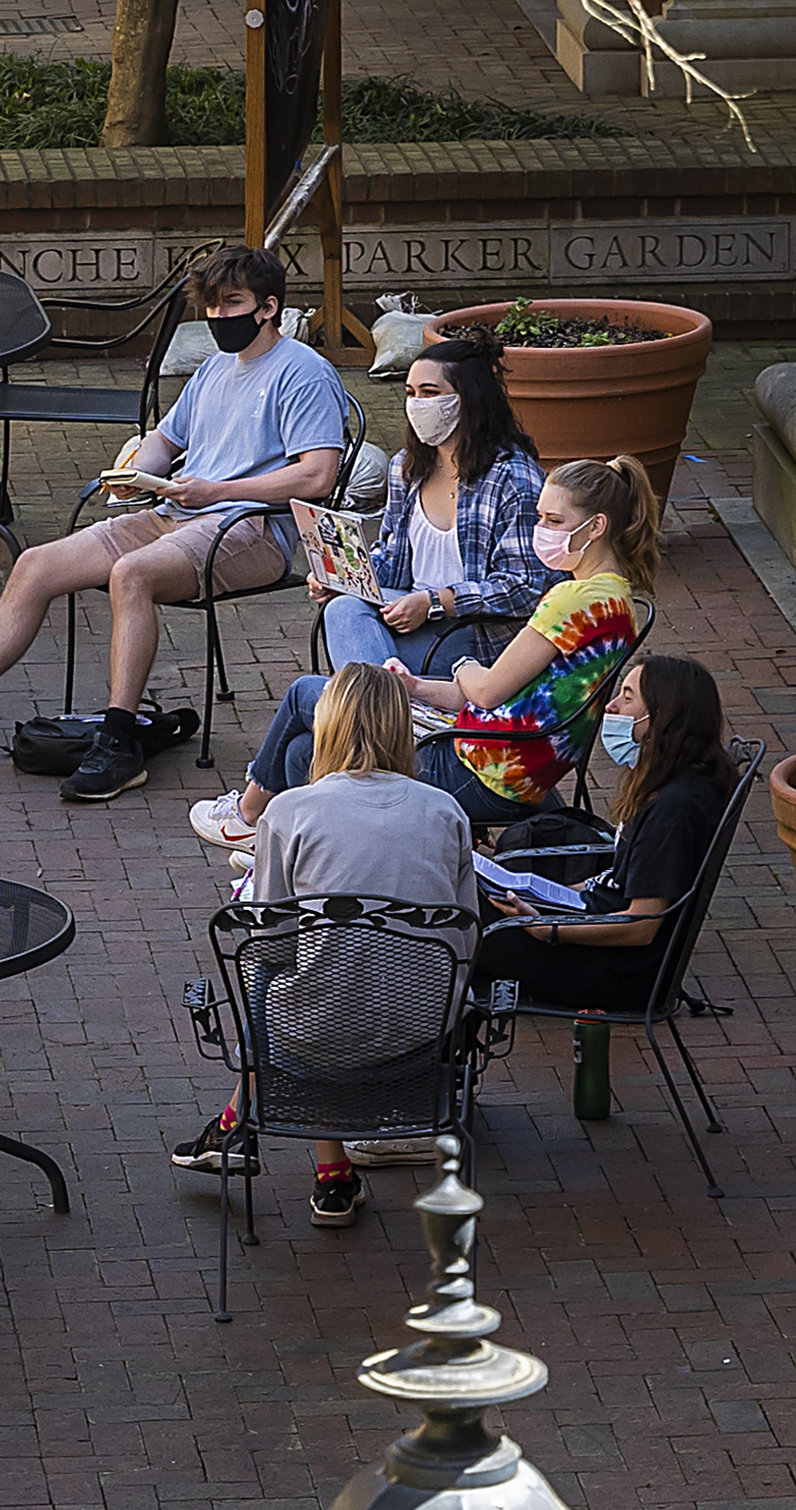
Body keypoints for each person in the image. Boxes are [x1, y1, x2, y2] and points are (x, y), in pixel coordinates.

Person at [0, 243, 351, 799]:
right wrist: (131, 473)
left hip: (249, 529)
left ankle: (120, 741)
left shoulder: (305, 374)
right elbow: (166, 439)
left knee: (132, 574)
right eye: (212, 308)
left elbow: (317, 477)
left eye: (232, 304)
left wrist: (214, 490)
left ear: (268, 308)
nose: (219, 317)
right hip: (175, 511)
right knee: (37, 564)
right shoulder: (217, 368)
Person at [193, 339, 547, 849]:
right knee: (342, 610)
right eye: (409, 392)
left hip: (472, 646)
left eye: (431, 392)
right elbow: (389, 562)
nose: (417, 403)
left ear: (467, 398)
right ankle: (393, 715)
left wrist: (438, 601)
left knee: (305, 707)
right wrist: (343, 575)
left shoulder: (512, 477)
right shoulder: (409, 466)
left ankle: (257, 810)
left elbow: (524, 588)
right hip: (407, 631)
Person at [171, 664, 478, 1231]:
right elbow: (464, 936)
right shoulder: (446, 811)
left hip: (311, 1041)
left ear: (327, 726)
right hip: (423, 1033)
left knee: (275, 976)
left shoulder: (289, 811)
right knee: (342, 971)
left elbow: (269, 942)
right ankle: (324, 1174)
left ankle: (254, 1130)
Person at [479, 653, 744, 1115]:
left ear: (661, 717)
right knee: (469, 909)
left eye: (627, 698)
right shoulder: (680, 786)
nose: (611, 709)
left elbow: (642, 925)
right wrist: (569, 894)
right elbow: (626, 888)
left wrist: (549, 929)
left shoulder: (673, 811)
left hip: (617, 971)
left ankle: (434, 1095)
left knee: (449, 932)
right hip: (596, 937)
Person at [402, 453, 661, 832]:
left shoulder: (572, 600)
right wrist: (418, 687)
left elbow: (488, 692)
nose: (541, 529)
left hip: (485, 769)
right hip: (520, 770)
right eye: (539, 517)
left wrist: (464, 667)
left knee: (310, 707)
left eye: (554, 521)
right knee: (311, 745)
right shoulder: (618, 602)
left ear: (596, 527)